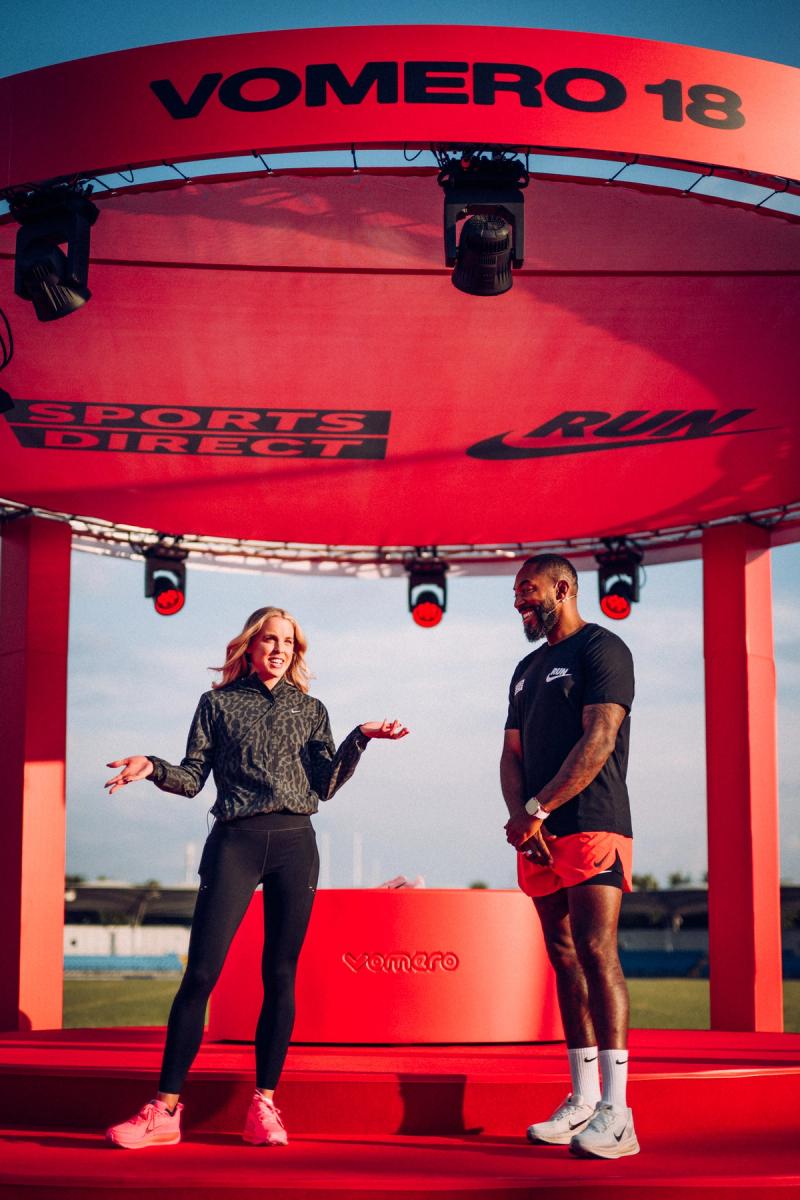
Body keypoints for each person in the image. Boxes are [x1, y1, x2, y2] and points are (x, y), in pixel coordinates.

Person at [104, 606, 408, 1150]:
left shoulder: (311, 709)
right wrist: (152, 766)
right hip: (235, 844)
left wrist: (360, 737)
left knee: (281, 975)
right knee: (201, 974)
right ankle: (164, 1111)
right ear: (250, 646)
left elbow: (326, 783)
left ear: (296, 651)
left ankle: (264, 1107)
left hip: (296, 845)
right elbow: (193, 778)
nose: (278, 650)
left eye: (288, 643)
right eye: (269, 640)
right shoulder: (217, 704)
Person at [501, 555, 639, 1160]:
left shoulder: (602, 649)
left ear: (563, 588)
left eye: (527, 590)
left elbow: (599, 737)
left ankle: (619, 1113)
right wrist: (522, 817)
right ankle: (583, 1100)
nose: (518, 602)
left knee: (594, 949)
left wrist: (538, 807)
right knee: (562, 957)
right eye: (515, 593)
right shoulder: (525, 669)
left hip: (592, 822)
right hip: (537, 831)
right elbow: (511, 754)